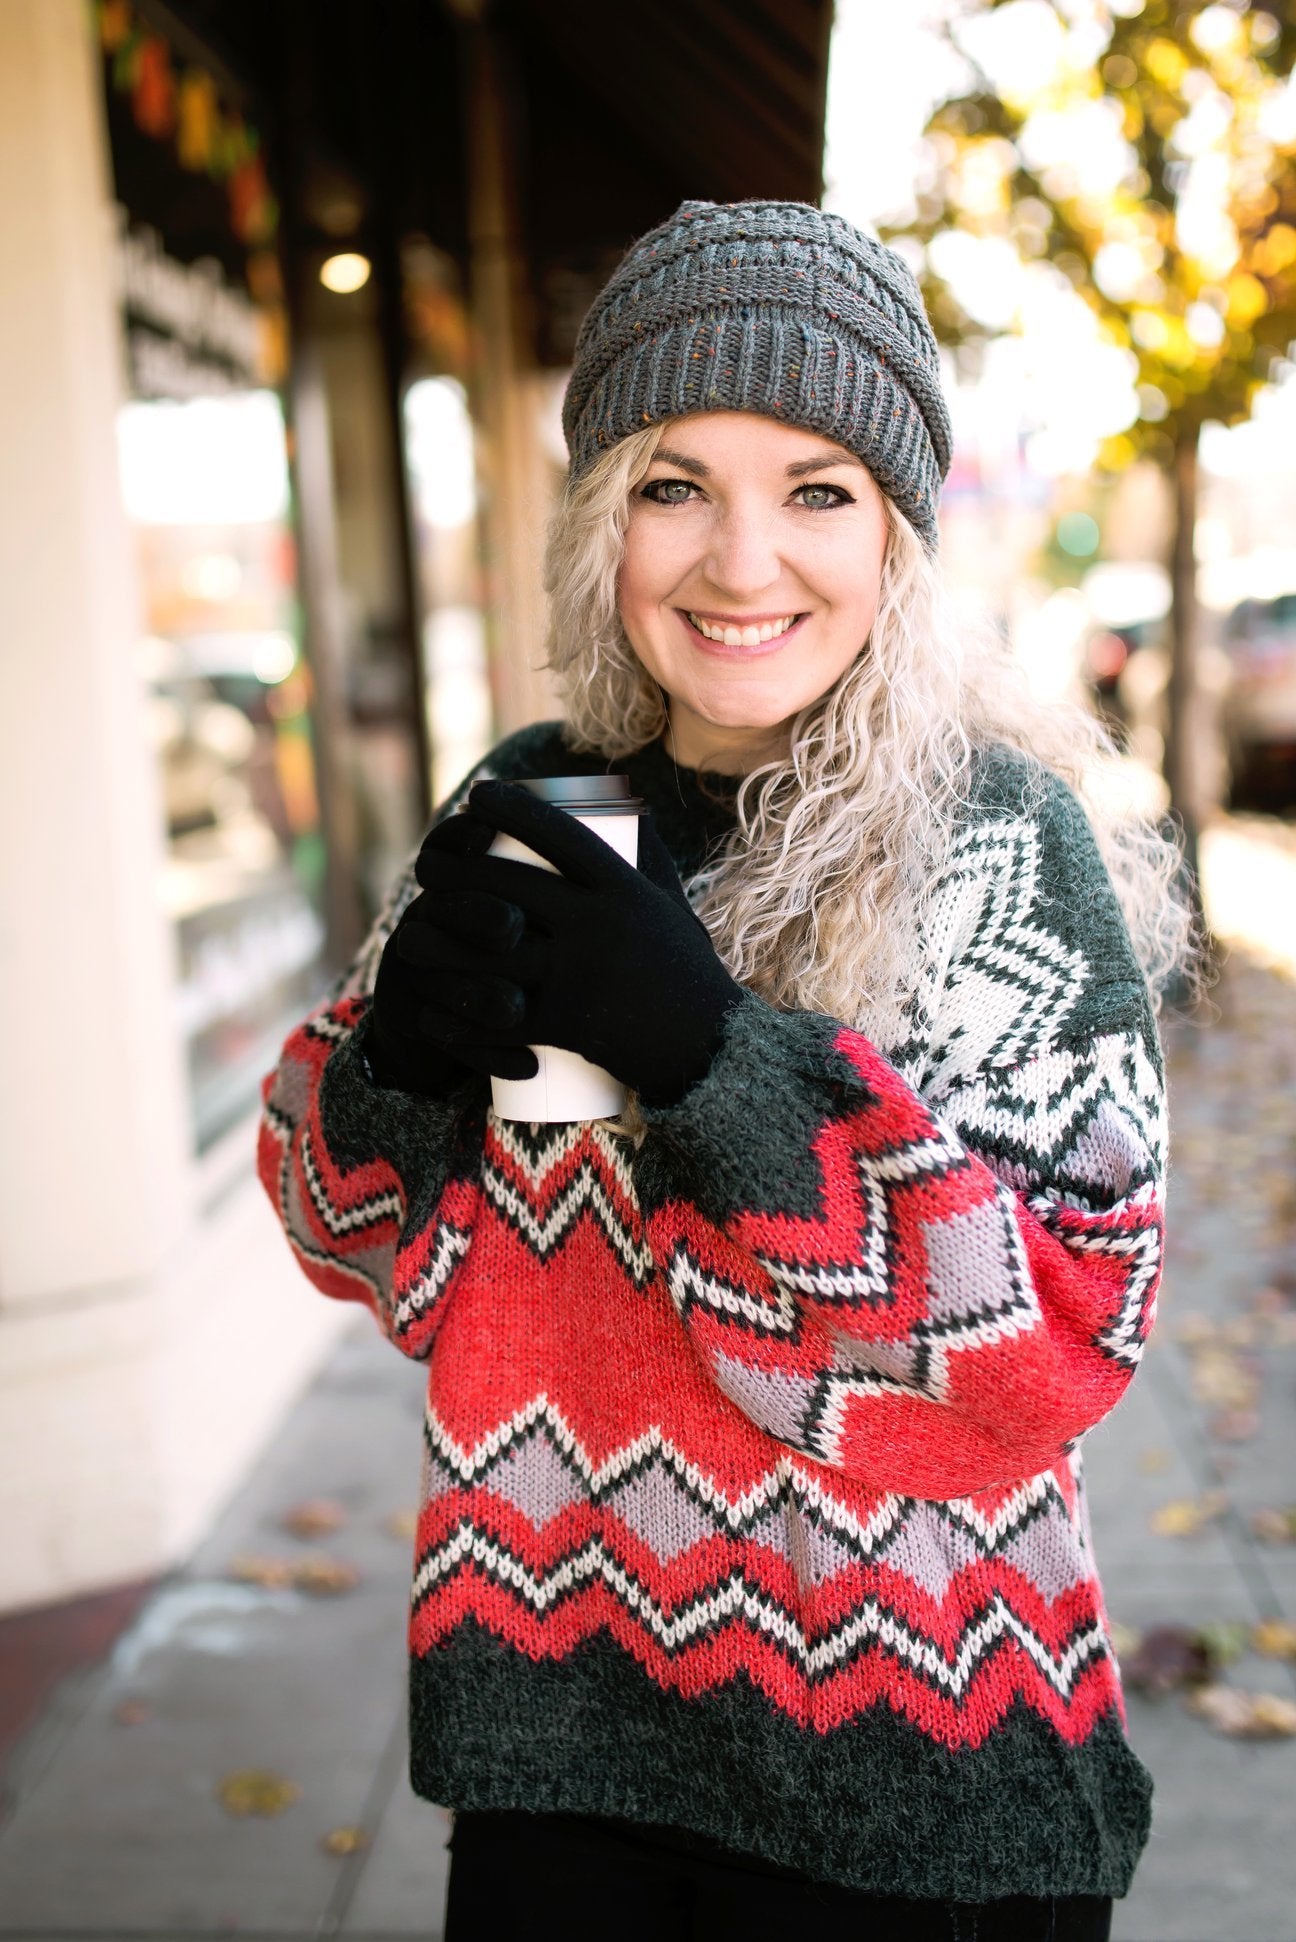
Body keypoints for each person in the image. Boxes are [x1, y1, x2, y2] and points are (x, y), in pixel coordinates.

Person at [257, 200, 1192, 1941]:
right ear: (606, 519)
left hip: (921, 1780)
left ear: (899, 534)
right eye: (675, 483)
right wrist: (388, 1068)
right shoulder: (539, 806)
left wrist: (715, 1057)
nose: (740, 562)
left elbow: (1056, 1351)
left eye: (817, 490)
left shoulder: (996, 848)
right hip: (560, 1746)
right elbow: (361, 1244)